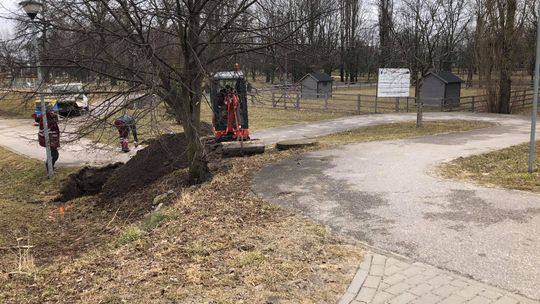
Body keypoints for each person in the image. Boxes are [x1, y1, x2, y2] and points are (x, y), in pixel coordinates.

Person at [38, 108, 60, 173]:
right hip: (49, 140)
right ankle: (50, 169)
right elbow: (46, 129)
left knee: (52, 154)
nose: (53, 112)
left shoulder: (49, 118)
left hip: (52, 140)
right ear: (48, 112)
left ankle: (51, 167)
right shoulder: (45, 119)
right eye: (51, 111)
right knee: (55, 155)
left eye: (53, 110)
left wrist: (55, 118)